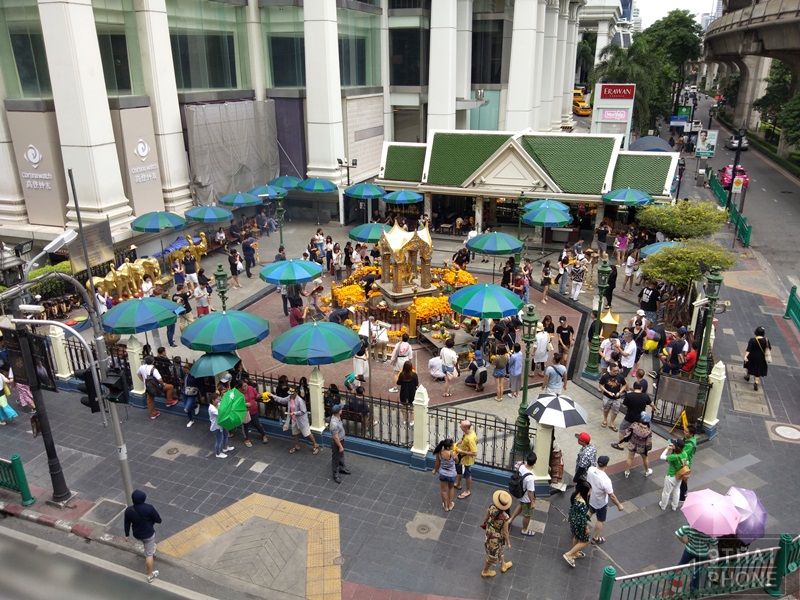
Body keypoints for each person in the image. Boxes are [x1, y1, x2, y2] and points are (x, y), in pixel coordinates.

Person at [124, 490, 163, 583]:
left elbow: (127, 523)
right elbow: (158, 520)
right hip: (148, 534)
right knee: (149, 555)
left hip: (137, 534)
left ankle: (150, 549)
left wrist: (127, 535)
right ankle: (150, 575)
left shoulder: (129, 510)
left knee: (147, 544)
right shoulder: (149, 508)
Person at [586, 456, 624, 545]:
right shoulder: (606, 480)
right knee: (600, 520)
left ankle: (580, 526)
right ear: (606, 465)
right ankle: (595, 538)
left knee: (590, 511)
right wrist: (619, 505)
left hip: (591, 498)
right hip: (600, 503)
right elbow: (612, 495)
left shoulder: (590, 470)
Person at [272, 387, 320, 455]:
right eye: (290, 394)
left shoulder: (300, 401)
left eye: (293, 394)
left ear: (296, 393)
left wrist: (294, 413)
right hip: (294, 420)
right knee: (295, 433)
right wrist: (273, 396)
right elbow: (282, 400)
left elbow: (303, 411)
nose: (291, 395)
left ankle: (315, 445)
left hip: (301, 421)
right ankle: (297, 446)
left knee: (307, 433)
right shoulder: (289, 398)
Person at [612, 380, 654, 450]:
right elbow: (651, 404)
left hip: (630, 416)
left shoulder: (629, 395)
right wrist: (654, 408)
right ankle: (634, 442)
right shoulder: (645, 396)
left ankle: (620, 444)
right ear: (641, 388)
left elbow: (624, 406)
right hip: (640, 418)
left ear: (634, 388)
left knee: (622, 428)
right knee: (635, 429)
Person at [675, 523, 718, 591]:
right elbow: (714, 542)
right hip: (702, 554)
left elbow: (678, 533)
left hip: (689, 551)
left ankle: (673, 577)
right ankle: (693, 587)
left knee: (681, 564)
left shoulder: (689, 526)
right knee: (698, 570)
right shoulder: (710, 531)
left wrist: (684, 541)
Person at [481, 490, 513, 578]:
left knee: (499, 549)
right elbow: (505, 532)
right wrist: (508, 543)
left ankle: (503, 564)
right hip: (496, 537)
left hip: (489, 531)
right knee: (492, 555)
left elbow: (486, 517)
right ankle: (485, 571)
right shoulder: (505, 517)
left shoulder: (491, 507)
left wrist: (484, 524)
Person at [563, 480, 592, 568]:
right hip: (579, 524)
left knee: (576, 536)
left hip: (573, 521)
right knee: (586, 540)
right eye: (589, 491)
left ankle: (575, 552)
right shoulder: (582, 503)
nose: (590, 493)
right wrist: (586, 528)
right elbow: (582, 518)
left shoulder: (575, 496)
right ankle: (569, 554)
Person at [137, 355, 175, 420]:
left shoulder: (141, 367)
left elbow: (138, 374)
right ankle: (169, 401)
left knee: (150, 400)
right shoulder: (154, 370)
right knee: (170, 387)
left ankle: (153, 414)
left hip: (148, 387)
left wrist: (143, 381)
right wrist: (163, 384)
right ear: (153, 361)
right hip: (156, 387)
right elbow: (160, 380)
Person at [508, 453, 537, 536]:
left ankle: (510, 520)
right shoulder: (530, 478)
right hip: (526, 498)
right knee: (527, 515)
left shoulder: (522, 467)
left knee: (520, 505)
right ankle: (524, 530)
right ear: (535, 462)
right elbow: (530, 492)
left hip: (520, 493)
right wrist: (532, 502)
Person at [659, 438, 687, 511]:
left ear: (676, 447)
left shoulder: (674, 456)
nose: (672, 445)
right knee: (677, 490)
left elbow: (661, 457)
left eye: (674, 444)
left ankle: (663, 505)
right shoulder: (684, 453)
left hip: (671, 476)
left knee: (666, 492)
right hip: (680, 475)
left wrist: (667, 449)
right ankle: (674, 506)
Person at [623, 412, 653, 478]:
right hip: (642, 448)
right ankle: (647, 471)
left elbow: (627, 431)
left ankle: (627, 472)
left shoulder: (635, 425)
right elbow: (649, 442)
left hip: (632, 444)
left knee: (630, 458)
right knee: (645, 458)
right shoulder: (648, 431)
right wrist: (648, 448)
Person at [239, 381, 269, 447]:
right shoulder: (238, 393)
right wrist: (245, 404)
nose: (246, 387)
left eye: (246, 385)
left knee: (257, 424)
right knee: (245, 426)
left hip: (253, 410)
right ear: (240, 387)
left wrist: (262, 395)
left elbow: (256, 396)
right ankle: (246, 439)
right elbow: (236, 404)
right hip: (244, 412)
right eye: (244, 386)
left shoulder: (250, 388)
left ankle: (264, 435)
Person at [327, 403, 350, 484]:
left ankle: (341, 468)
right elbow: (335, 437)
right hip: (337, 442)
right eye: (341, 409)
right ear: (338, 412)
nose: (342, 410)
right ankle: (335, 474)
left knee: (341, 455)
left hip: (341, 440)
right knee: (336, 458)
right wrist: (340, 446)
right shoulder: (334, 424)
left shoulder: (338, 417)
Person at [599, 362, 626, 431]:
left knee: (615, 410)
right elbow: (601, 385)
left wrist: (619, 392)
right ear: (610, 370)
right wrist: (607, 392)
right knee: (606, 408)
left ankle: (612, 423)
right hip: (607, 396)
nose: (616, 372)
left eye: (617, 370)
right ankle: (605, 420)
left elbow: (624, 385)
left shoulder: (620, 377)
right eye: (614, 371)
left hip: (616, 398)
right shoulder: (605, 376)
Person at [454, 420, 477, 500]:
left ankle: (467, 491)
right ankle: (458, 484)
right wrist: (457, 443)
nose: (460, 427)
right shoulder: (469, 431)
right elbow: (463, 439)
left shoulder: (470, 439)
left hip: (466, 460)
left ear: (465, 428)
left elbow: (474, 453)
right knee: (460, 470)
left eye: (461, 426)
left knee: (467, 475)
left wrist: (461, 451)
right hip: (462, 457)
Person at [432, 438, 457, 512]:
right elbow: (457, 461)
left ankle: (445, 506)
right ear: (448, 447)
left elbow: (437, 463)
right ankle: (450, 505)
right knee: (451, 488)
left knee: (443, 490)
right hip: (451, 474)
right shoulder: (453, 453)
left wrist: (435, 470)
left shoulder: (439, 453)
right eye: (452, 445)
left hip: (442, 473)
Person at [744, 326, 771, 391]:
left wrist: (745, 356)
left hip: (752, 357)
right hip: (761, 358)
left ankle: (747, 376)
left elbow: (748, 349)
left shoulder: (752, 340)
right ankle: (756, 382)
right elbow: (769, 348)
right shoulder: (766, 340)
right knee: (758, 370)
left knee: (749, 366)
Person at [396, 361, 419, 426]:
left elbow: (398, 383)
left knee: (404, 406)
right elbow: (416, 383)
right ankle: (411, 420)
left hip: (404, 392)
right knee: (412, 407)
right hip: (412, 392)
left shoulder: (402, 374)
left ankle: (404, 420)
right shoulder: (414, 375)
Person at [679, 424, 698, 502]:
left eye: (686, 432)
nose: (684, 432)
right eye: (685, 430)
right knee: (683, 479)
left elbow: (682, 454)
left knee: (683, 480)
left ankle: (682, 496)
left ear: (691, 434)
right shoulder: (689, 438)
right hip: (685, 462)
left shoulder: (690, 445)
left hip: (685, 463)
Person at [181, 363, 199, 428]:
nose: (185, 371)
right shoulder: (185, 374)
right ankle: (191, 418)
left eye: (186, 370)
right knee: (187, 407)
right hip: (184, 392)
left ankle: (191, 419)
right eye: (185, 370)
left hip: (191, 393)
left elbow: (199, 384)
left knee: (186, 409)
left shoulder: (194, 376)